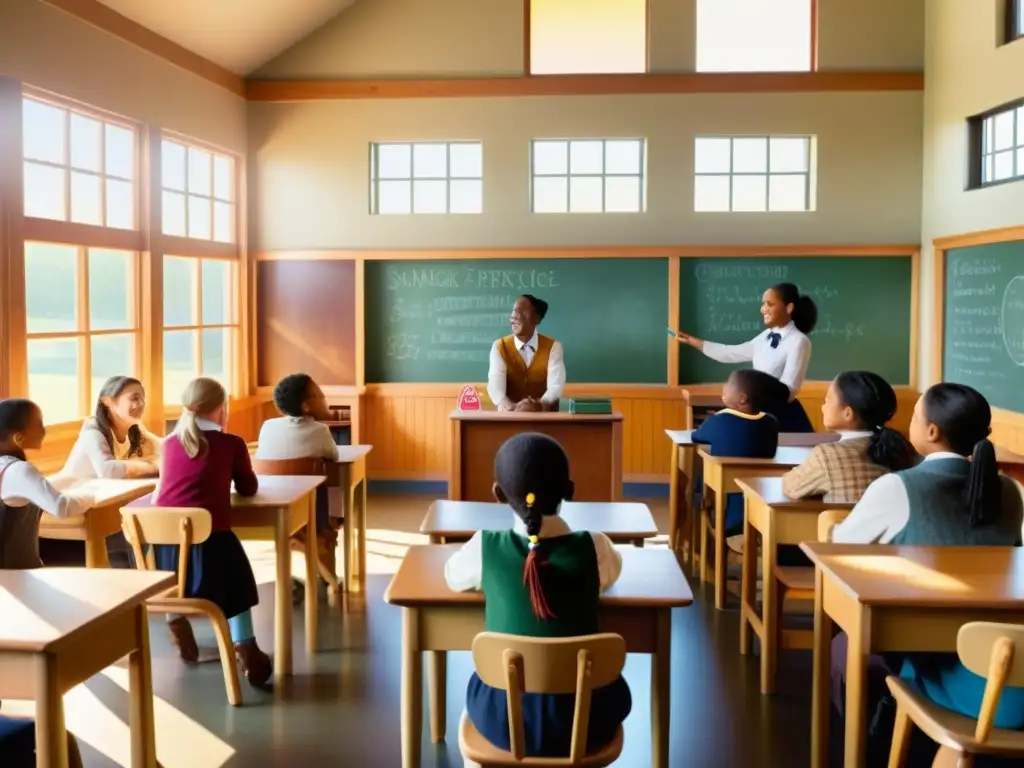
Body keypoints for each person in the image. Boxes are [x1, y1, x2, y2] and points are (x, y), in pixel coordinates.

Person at [829, 383, 1024, 760]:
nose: (910, 423)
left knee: (849, 648)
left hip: (979, 684)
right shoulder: (1010, 491)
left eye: (914, 416)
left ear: (931, 432)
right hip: (1014, 656)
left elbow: (842, 549)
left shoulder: (897, 487)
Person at [444, 433, 630, 758]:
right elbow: (610, 575)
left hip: (503, 720)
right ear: (569, 491)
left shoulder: (485, 548)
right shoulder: (595, 547)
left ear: (498, 494)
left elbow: (452, 576)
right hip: (586, 720)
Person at [152, 377, 272, 687]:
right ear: (221, 409)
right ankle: (246, 648)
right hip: (211, 544)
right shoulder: (231, 444)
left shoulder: (168, 444)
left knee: (174, 582)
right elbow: (248, 487)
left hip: (165, 548)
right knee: (238, 581)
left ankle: (181, 635)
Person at [675, 282, 817, 432]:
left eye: (769, 304)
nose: (763, 310)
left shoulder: (799, 341)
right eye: (763, 304)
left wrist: (752, 405)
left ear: (788, 308)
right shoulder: (765, 337)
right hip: (757, 411)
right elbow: (730, 353)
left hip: (782, 418)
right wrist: (693, 341)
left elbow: (789, 390)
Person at [255, 373, 339, 586]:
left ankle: (294, 570)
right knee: (326, 491)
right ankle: (327, 576)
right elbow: (334, 456)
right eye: (318, 395)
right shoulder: (320, 431)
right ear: (306, 406)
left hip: (272, 511)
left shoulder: (268, 427)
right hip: (311, 516)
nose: (323, 397)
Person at [783, 371, 915, 503]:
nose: (823, 407)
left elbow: (790, 487)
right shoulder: (900, 448)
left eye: (827, 400)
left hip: (843, 523)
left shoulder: (827, 455)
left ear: (847, 413)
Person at [0, 398, 94, 568]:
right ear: (19, 438)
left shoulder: (6, 468)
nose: (44, 431)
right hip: (14, 577)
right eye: (39, 424)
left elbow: (32, 487)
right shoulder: (18, 470)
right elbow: (61, 507)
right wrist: (90, 497)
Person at [691, 368, 786, 535]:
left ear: (742, 399)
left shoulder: (720, 420)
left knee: (696, 481)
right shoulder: (772, 422)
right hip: (759, 492)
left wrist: (712, 419)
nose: (724, 386)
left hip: (724, 492)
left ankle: (699, 538)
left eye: (729, 384)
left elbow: (696, 436)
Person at [61, 375, 162, 480]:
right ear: (108, 402)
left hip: (100, 490)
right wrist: (155, 468)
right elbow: (107, 469)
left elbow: (163, 447)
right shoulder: (93, 432)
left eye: (143, 399)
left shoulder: (134, 427)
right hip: (72, 490)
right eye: (134, 398)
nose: (141, 404)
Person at [486, 294, 566, 412]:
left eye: (521, 312)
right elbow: (495, 386)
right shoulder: (499, 347)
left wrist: (538, 406)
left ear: (537, 319)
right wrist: (512, 408)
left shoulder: (553, 347)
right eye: (513, 311)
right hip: (509, 419)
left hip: (545, 420)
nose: (514, 317)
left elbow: (555, 387)